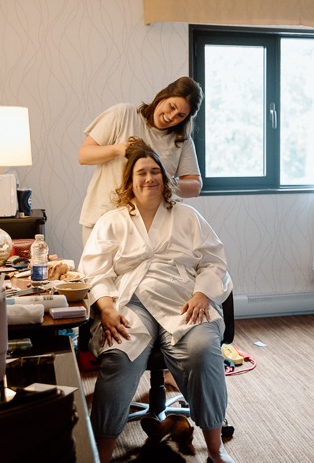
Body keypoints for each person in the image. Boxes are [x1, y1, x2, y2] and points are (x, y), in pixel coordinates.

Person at [79, 137, 236, 463]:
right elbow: (94, 271)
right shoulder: (113, 221)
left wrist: (201, 294)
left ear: (164, 179)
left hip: (183, 301)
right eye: (141, 173)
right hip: (130, 302)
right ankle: (101, 457)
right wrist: (106, 308)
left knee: (203, 351)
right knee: (119, 355)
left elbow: (214, 261)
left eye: (155, 172)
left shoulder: (187, 217)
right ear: (130, 181)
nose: (149, 178)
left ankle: (216, 451)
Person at [78, 76, 204, 245]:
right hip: (102, 218)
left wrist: (166, 181)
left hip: (148, 229)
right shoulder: (122, 114)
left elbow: (195, 186)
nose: (171, 116)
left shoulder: (182, 140)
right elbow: (84, 155)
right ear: (163, 96)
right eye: (171, 107)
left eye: (180, 115)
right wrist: (117, 150)